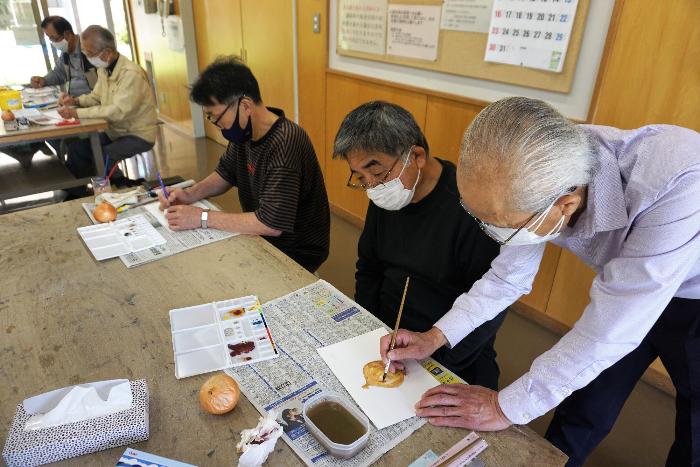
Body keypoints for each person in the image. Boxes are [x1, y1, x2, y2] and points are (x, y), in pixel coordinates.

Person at [378, 97, 700, 466]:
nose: (492, 233)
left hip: (693, 295)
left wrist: (504, 406)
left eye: (503, 224)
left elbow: (609, 331)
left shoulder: (679, 178)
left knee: (695, 419)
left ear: (564, 204)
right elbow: (507, 277)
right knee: (585, 397)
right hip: (628, 287)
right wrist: (434, 337)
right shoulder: (542, 162)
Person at [333, 101, 505, 388]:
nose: (372, 185)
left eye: (377, 173)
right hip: (388, 338)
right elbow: (369, 268)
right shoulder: (388, 195)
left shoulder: (472, 207)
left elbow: (490, 308)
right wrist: (370, 327)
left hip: (452, 351)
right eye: (360, 176)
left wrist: (436, 361)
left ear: (417, 156)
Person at [159, 57, 330, 273]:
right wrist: (189, 194)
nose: (216, 124)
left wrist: (201, 217)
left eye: (215, 116)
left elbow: (270, 224)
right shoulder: (245, 133)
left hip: (293, 253)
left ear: (245, 105)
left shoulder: (286, 142)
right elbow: (225, 173)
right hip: (262, 239)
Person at [57, 25, 157, 185]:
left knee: (104, 154)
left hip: (137, 134)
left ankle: (115, 187)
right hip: (116, 131)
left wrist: (77, 113)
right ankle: (78, 191)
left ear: (107, 53)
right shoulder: (104, 69)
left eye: (89, 54)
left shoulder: (131, 74)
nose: (86, 57)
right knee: (77, 148)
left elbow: (117, 112)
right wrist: (75, 101)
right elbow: (96, 97)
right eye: (84, 52)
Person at [30, 16, 96, 97]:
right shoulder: (66, 53)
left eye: (54, 38)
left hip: (93, 100)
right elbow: (59, 73)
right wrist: (44, 80)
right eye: (50, 39)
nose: (53, 43)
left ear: (67, 34)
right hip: (74, 100)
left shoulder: (89, 49)